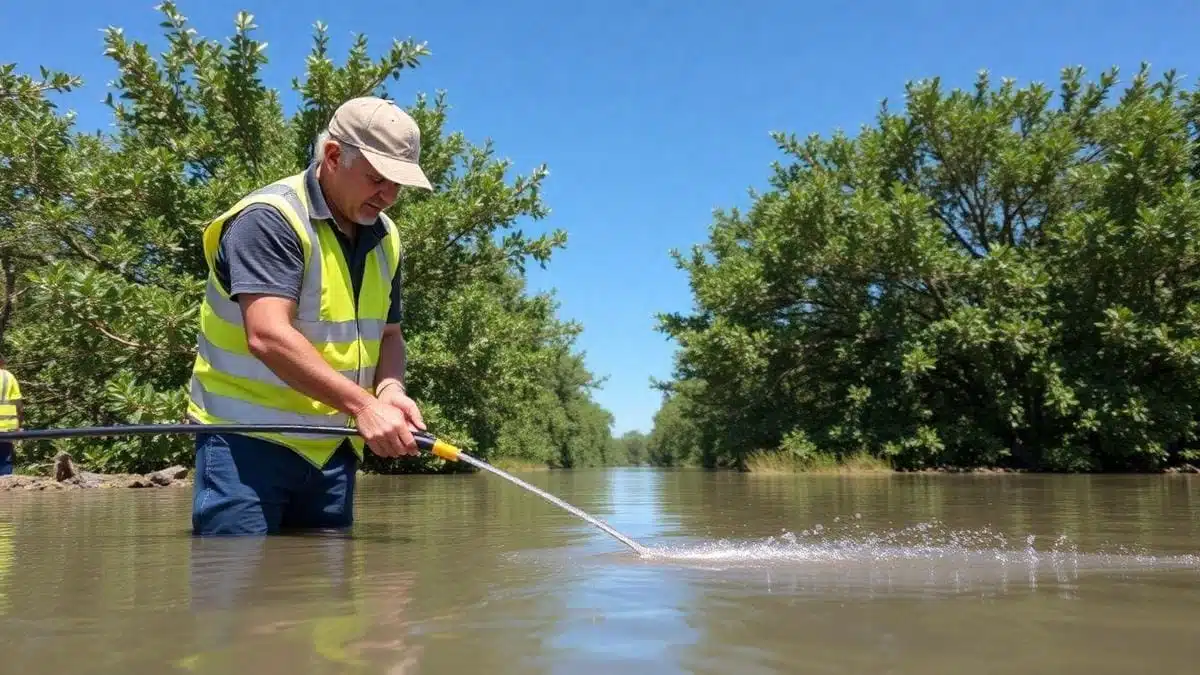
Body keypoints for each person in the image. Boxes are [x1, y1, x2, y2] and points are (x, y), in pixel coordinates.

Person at [186, 96, 433, 536]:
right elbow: (267, 334)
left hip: (332, 449)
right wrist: (362, 405)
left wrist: (390, 389)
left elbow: (390, 334)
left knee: (324, 601)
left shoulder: (386, 238)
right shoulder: (271, 219)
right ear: (334, 156)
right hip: (247, 444)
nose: (389, 196)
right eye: (378, 178)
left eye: (399, 184)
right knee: (234, 593)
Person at [0, 358, 22, 475]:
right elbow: (17, 404)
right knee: (4, 465)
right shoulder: (8, 377)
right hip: (6, 426)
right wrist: (18, 425)